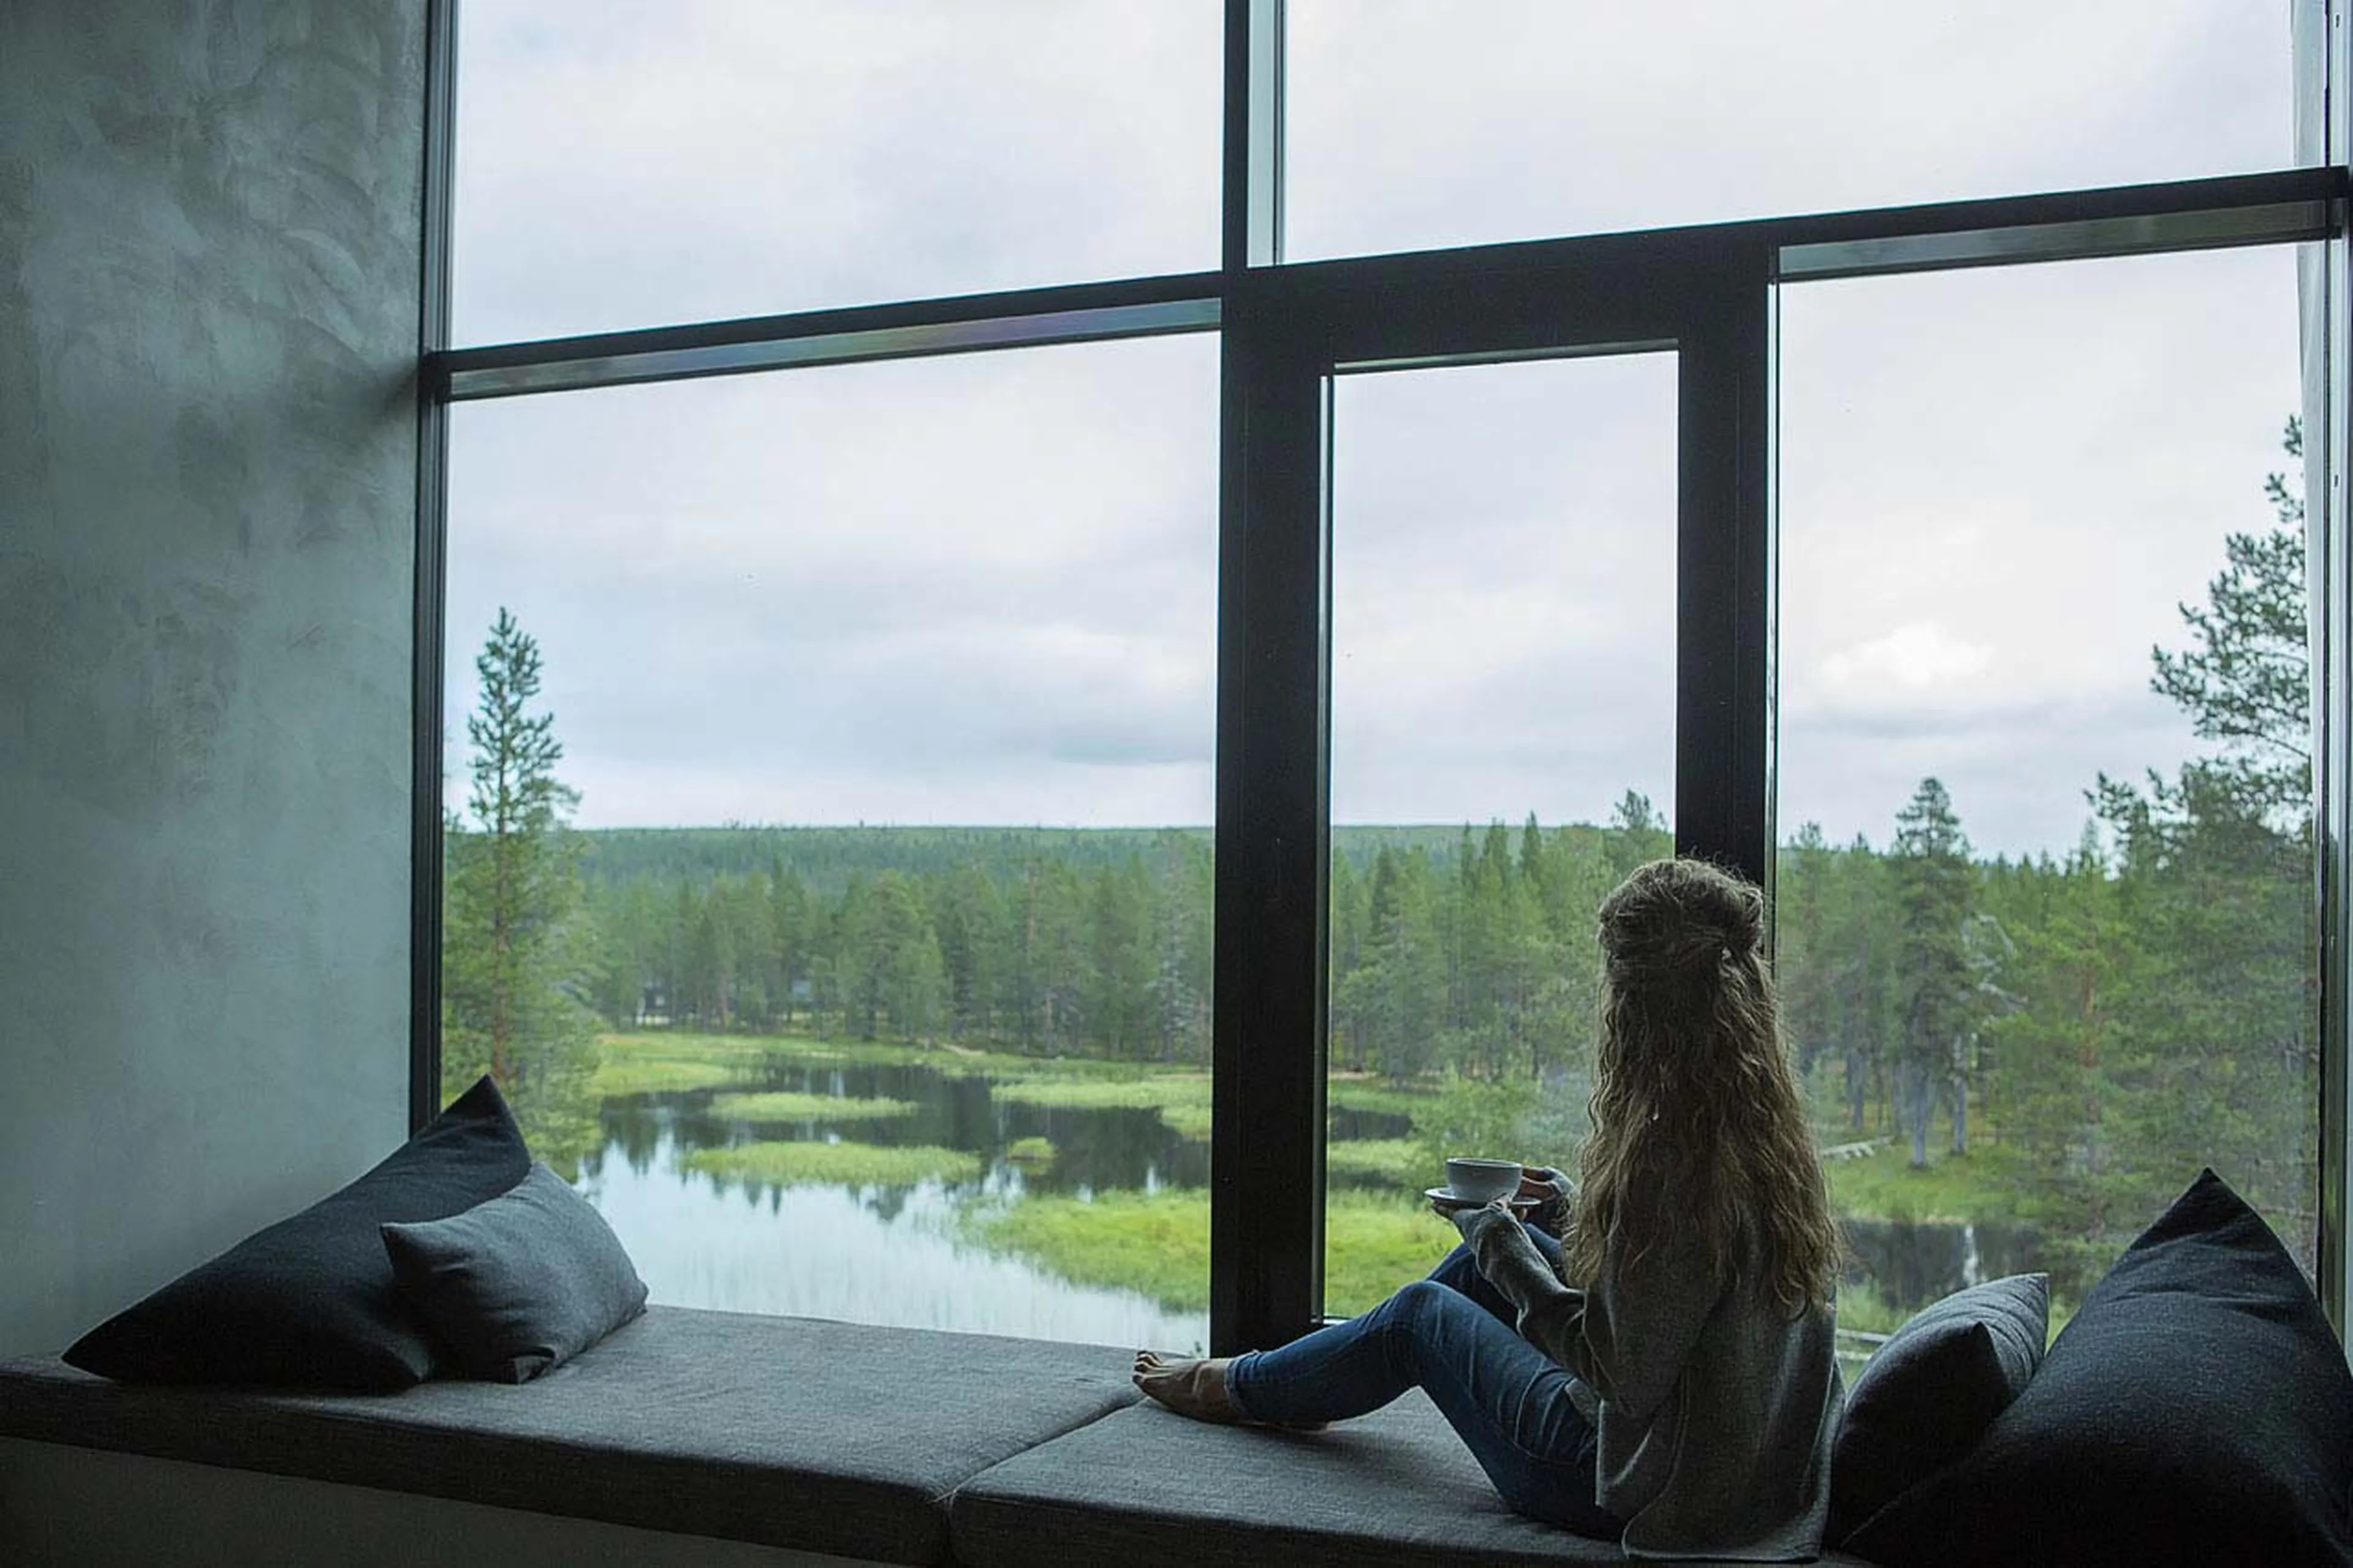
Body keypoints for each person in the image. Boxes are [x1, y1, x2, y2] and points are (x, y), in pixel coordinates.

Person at [1133, 857, 1846, 1562]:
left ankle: (1235, 1385)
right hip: (1747, 1482)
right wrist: (1564, 1211)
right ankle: (1305, 1383)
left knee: (1420, 1315)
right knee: (1517, 1240)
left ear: (1635, 1003)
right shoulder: (1771, 1137)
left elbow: (1619, 1373)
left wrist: (1495, 1240)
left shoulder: (1671, 1167)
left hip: (1624, 1485)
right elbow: (1681, 1295)